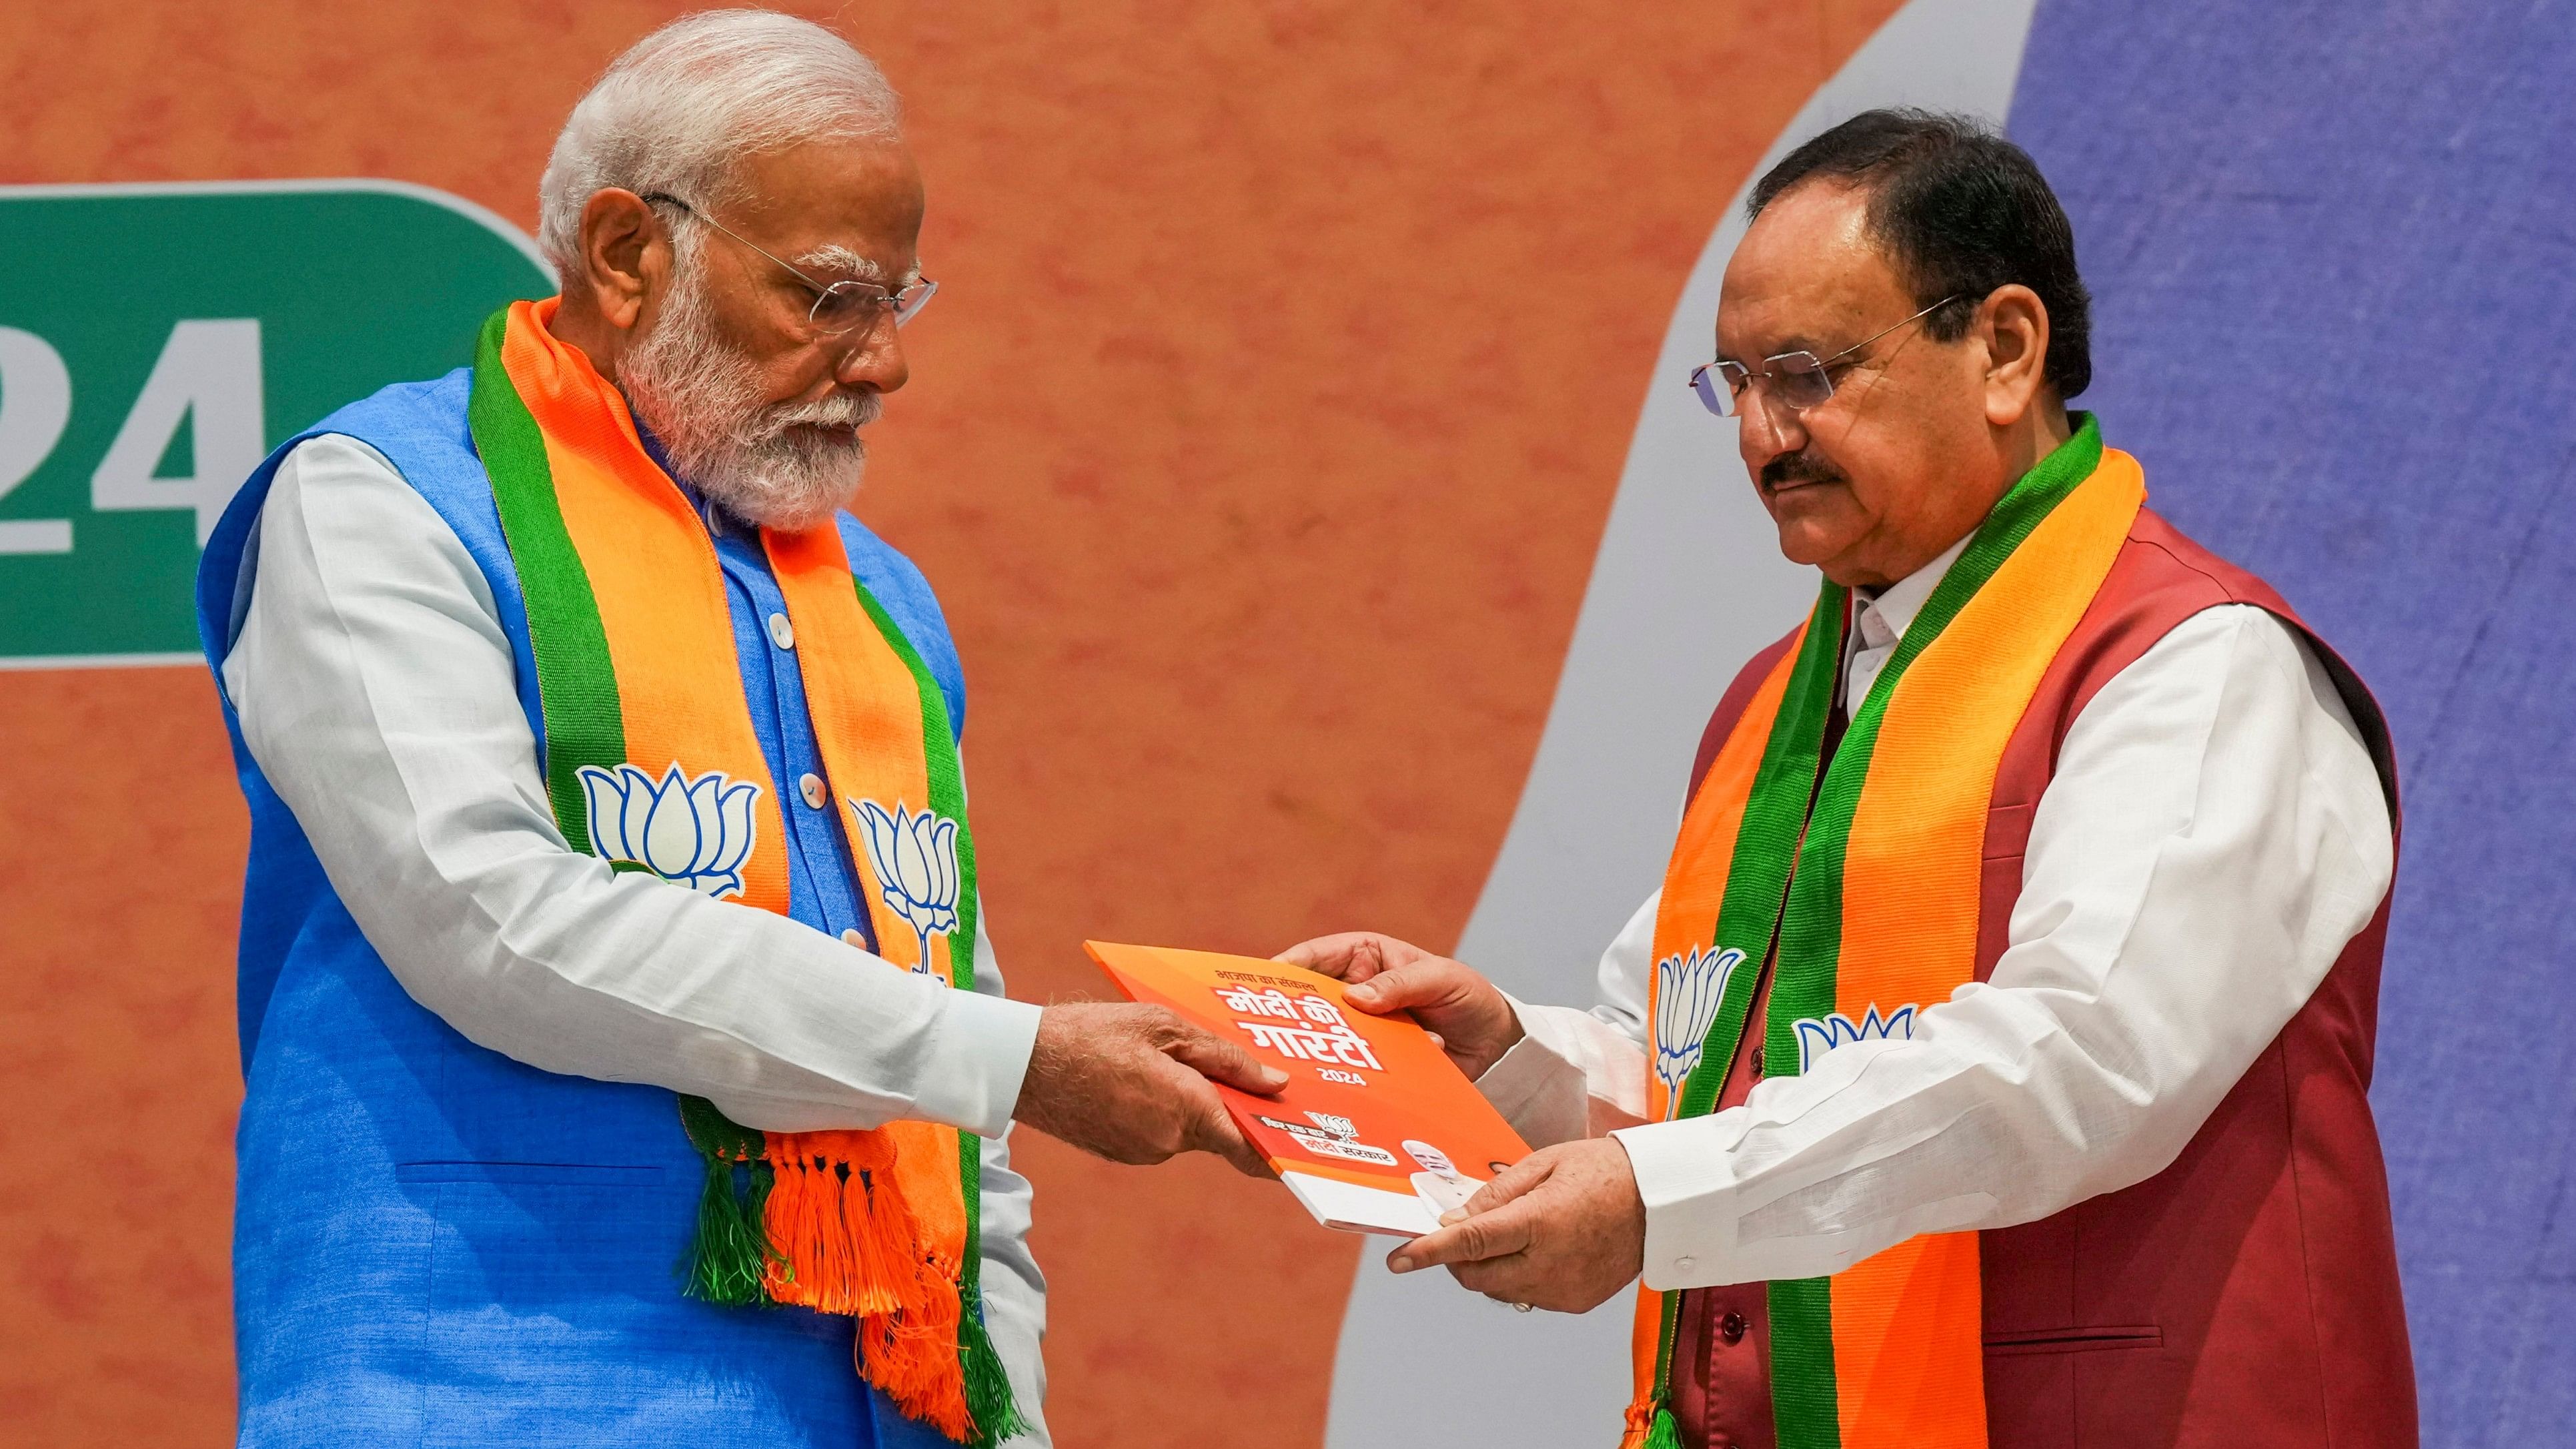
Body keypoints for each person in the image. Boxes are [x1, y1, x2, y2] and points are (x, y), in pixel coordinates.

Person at [194, 12, 1282, 1446]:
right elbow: (490, 923)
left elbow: (955, 1046)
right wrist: (1010, 1054)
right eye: (829, 297)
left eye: (900, 300)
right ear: (628, 253)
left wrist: (1006, 1416)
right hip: (478, 1395)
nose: (882, 361)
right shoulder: (376, 505)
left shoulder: (873, 602)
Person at [1284, 110, 2414, 1448]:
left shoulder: (2194, 668)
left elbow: (2071, 1067)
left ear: (2002, 348)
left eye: (1809, 371)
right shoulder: (1778, 698)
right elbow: (1705, 1079)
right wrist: (1505, 1058)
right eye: (1734, 383)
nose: (1764, 435)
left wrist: (1658, 1197)